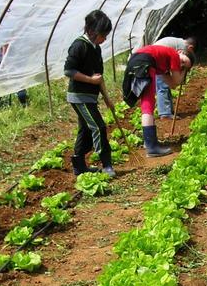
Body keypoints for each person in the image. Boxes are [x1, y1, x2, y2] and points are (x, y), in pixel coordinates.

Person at [64, 10, 116, 177]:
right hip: (79, 96)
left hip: (91, 96)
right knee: (98, 126)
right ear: (93, 31)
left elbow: (99, 77)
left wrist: (107, 99)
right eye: (103, 34)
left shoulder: (96, 48)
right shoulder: (79, 45)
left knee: (85, 130)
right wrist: (89, 80)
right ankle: (106, 163)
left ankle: (79, 166)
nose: (105, 39)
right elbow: (69, 71)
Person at [121, 43, 193, 157]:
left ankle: (148, 143)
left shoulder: (163, 61)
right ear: (181, 52)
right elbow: (177, 80)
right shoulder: (174, 55)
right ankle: (152, 147)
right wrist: (184, 71)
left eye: (184, 66)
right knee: (148, 105)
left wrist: (182, 69)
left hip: (135, 61)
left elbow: (172, 84)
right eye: (184, 61)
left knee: (146, 105)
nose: (181, 64)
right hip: (145, 63)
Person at [153, 35, 196, 118]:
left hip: (159, 60)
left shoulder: (179, 42)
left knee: (166, 86)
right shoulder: (183, 48)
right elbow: (177, 68)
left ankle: (169, 111)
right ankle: (165, 113)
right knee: (162, 87)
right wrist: (183, 71)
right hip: (157, 61)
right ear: (190, 47)